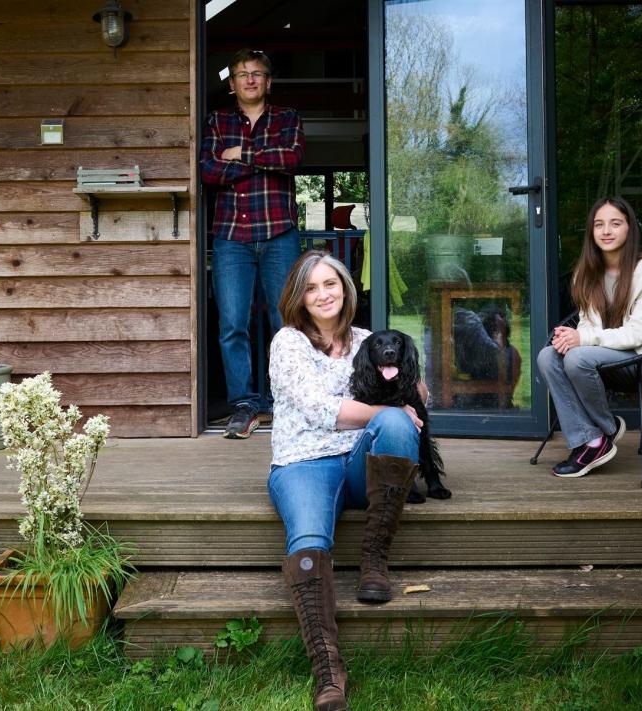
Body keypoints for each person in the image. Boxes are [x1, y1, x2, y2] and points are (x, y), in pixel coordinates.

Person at [268, 251, 425, 711]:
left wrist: (410, 392)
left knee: (397, 425)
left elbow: (415, 389)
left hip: (359, 462)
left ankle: (374, 559)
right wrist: (389, 408)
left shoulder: (368, 341)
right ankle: (328, 671)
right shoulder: (288, 342)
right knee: (310, 540)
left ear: (345, 288)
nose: (323, 294)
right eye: (311, 287)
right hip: (303, 464)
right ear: (299, 297)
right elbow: (322, 409)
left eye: (330, 284)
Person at [200, 49, 304, 439]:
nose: (250, 79)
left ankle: (287, 400)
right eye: (242, 74)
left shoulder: (286, 118)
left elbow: (291, 158)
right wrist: (263, 162)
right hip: (231, 238)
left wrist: (241, 155)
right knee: (232, 325)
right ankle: (244, 406)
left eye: (257, 73)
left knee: (287, 324)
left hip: (280, 234)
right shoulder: (217, 121)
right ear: (232, 84)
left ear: (268, 81)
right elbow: (209, 170)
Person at [536, 196, 642, 478]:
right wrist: (571, 336)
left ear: (629, 229)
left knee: (577, 358)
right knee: (548, 355)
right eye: (599, 224)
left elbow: (639, 333)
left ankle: (604, 430)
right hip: (605, 353)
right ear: (591, 232)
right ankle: (594, 438)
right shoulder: (587, 274)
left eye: (615, 223)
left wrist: (582, 340)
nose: (606, 231)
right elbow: (588, 324)